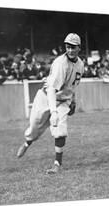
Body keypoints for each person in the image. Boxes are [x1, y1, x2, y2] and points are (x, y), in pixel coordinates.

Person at [16, 33, 84, 174]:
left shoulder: (81, 65)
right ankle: (27, 143)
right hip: (46, 96)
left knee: (60, 130)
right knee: (35, 127)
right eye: (68, 47)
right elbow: (52, 89)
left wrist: (74, 100)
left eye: (73, 47)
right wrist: (53, 112)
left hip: (64, 100)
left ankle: (57, 164)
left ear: (79, 48)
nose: (70, 50)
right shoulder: (60, 63)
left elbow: (73, 85)